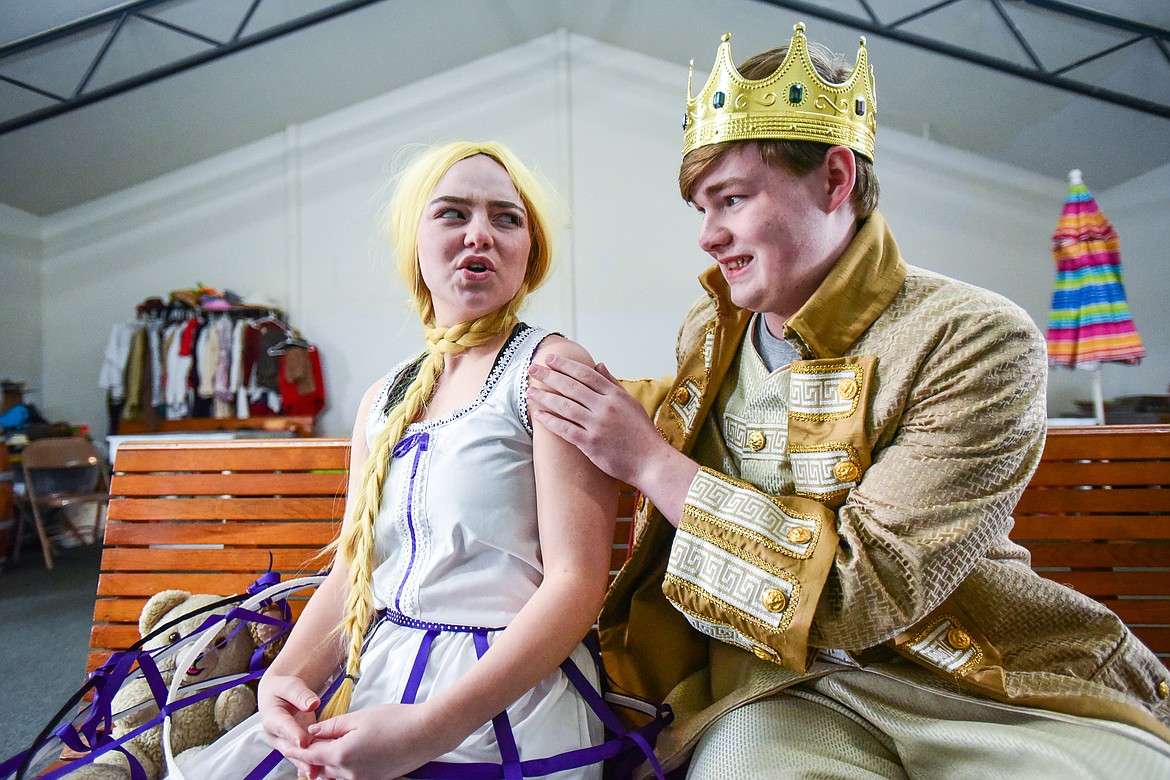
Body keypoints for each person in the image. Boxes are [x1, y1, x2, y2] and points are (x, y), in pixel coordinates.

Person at [527, 23, 1170, 778]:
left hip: (983, 685)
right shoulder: (710, 328)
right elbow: (662, 414)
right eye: (701, 208)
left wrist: (647, 462)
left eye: (729, 199)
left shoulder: (976, 337)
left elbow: (862, 594)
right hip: (775, 691)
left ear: (835, 179)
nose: (708, 235)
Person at [181, 141, 621, 780]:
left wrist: (430, 728)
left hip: (506, 699)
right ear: (414, 244)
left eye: (506, 218)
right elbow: (354, 569)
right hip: (382, 670)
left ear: (531, 252)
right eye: (452, 214)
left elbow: (577, 583)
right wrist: (284, 680)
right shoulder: (384, 397)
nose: (481, 234)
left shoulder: (549, 368)